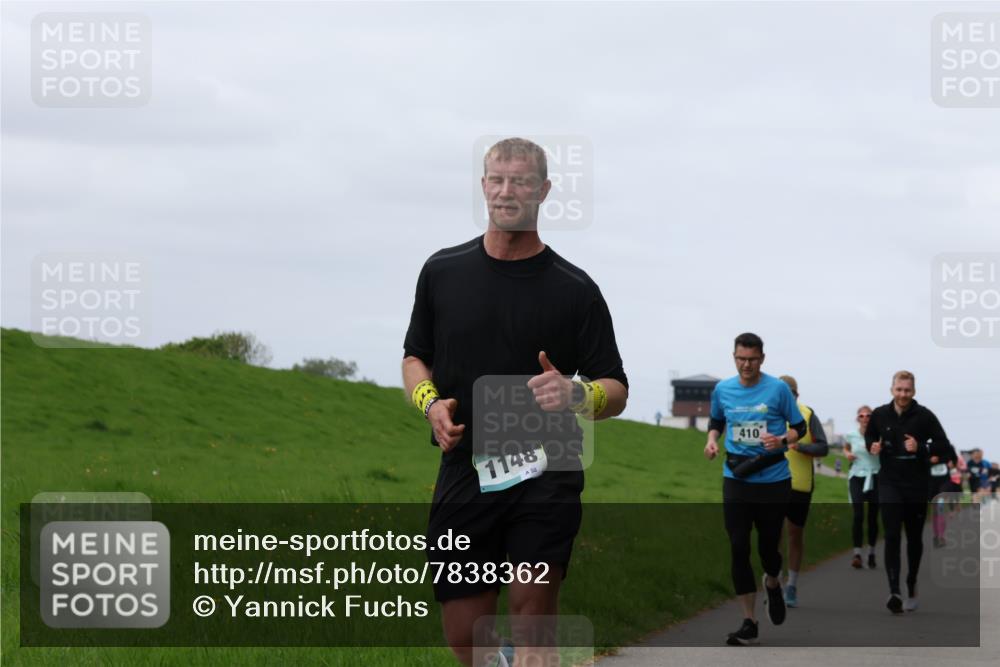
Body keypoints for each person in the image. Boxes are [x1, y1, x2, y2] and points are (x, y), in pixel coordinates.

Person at [402, 137, 628, 666]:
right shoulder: (442, 271)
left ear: (544, 190)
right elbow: (415, 358)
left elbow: (615, 387)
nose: (507, 192)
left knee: (533, 627)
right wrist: (431, 404)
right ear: (483, 186)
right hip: (465, 470)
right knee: (464, 635)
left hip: (546, 473)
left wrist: (578, 393)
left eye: (521, 181)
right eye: (497, 180)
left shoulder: (576, 290)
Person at [704, 333, 806, 646]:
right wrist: (711, 440)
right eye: (740, 359)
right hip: (736, 478)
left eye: (752, 359)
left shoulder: (777, 389)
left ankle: (773, 582)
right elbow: (716, 421)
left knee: (767, 550)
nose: (746, 364)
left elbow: (799, 427)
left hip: (773, 480)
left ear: (762, 358)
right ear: (734, 358)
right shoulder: (723, 389)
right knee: (738, 547)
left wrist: (783, 440)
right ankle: (749, 621)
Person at [866, 370, 953, 614]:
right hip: (889, 481)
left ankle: (911, 583)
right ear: (891, 389)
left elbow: (943, 445)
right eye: (899, 389)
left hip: (916, 483)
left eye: (907, 390)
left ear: (913, 392)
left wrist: (921, 447)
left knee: (914, 538)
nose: (903, 394)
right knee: (892, 534)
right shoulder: (880, 414)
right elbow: (871, 434)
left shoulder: (924, 416)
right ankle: (894, 590)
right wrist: (871, 445)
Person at [777, 375, 829, 608]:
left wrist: (801, 447)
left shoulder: (807, 415)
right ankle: (775, 582)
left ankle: (792, 585)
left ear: (797, 394)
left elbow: (824, 448)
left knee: (794, 534)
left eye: (792, 393)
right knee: (772, 535)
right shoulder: (767, 414)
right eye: (783, 392)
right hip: (772, 483)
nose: (788, 397)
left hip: (800, 484)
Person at [844, 406, 880, 569]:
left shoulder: (879, 435)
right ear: (857, 418)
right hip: (856, 476)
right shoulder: (851, 435)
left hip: (875, 476)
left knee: (873, 517)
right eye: (861, 416)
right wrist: (847, 454)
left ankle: (871, 552)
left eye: (868, 415)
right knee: (858, 514)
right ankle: (857, 553)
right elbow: (846, 447)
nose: (865, 418)